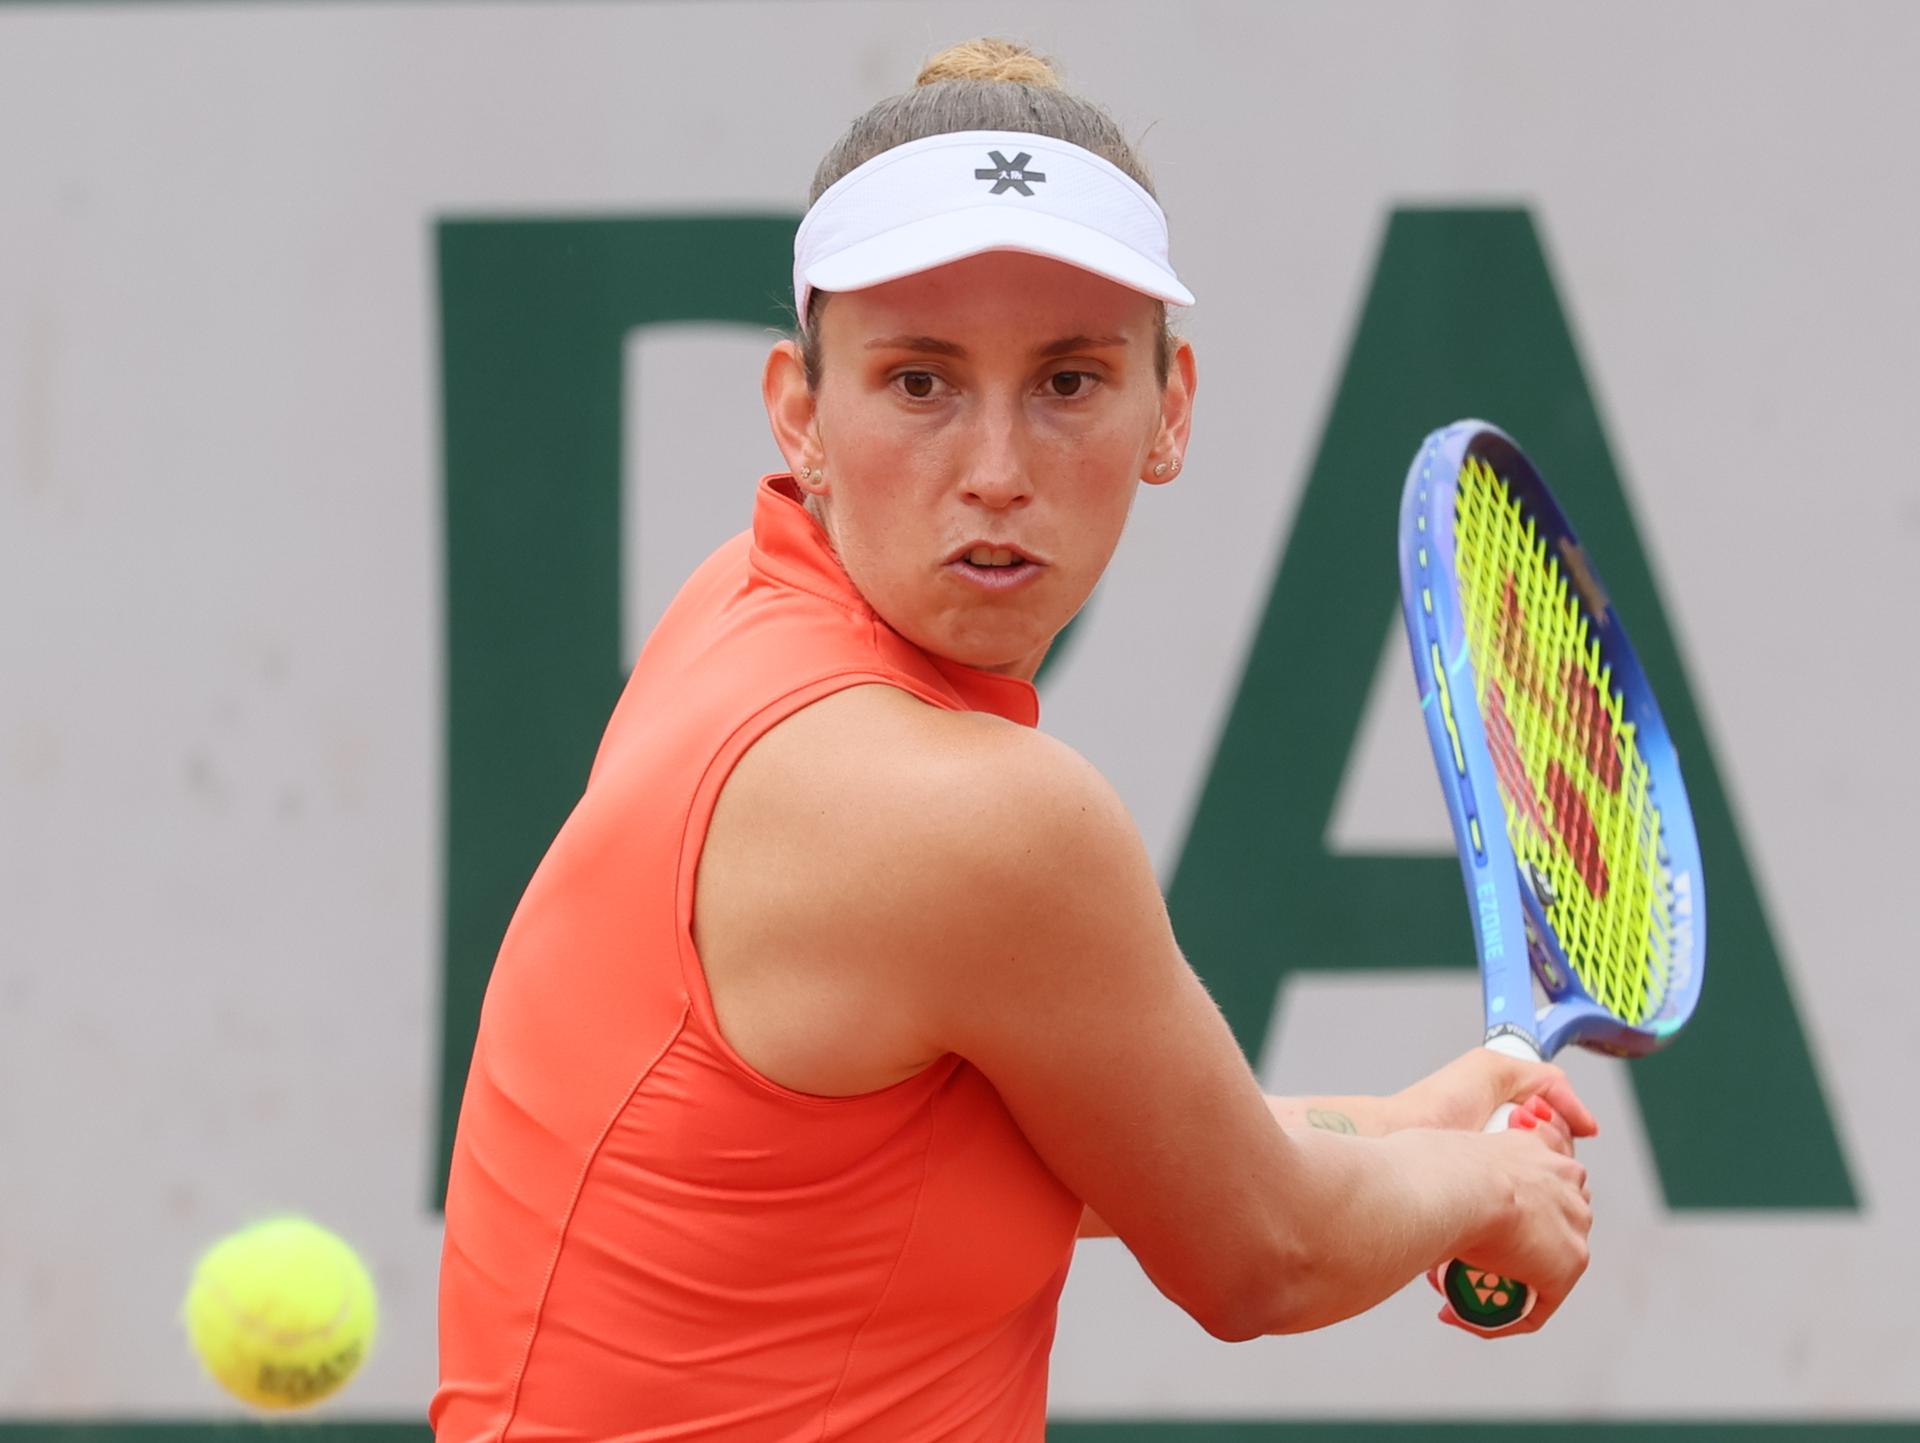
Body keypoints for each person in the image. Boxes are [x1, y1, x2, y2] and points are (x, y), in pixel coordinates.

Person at [431, 38, 1595, 1443]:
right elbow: (1262, 1253)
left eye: (1067, 382)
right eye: (919, 383)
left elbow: (1051, 1143)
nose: (994, 469)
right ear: (802, 410)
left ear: (1168, 410)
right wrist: (1490, 1191)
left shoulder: (732, 608)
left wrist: (1413, 1128)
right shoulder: (973, 821)